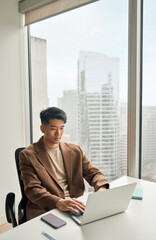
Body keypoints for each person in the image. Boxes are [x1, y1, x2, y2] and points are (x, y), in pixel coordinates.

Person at [19, 107, 109, 220]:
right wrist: (58, 202)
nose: (58, 133)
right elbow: (33, 189)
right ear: (42, 128)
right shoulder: (28, 155)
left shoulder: (75, 151)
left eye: (62, 128)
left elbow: (94, 173)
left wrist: (101, 188)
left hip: (77, 206)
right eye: (53, 128)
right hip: (46, 209)